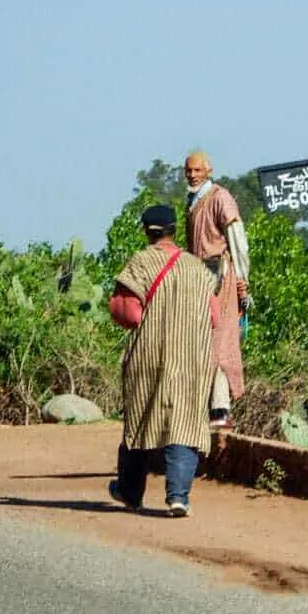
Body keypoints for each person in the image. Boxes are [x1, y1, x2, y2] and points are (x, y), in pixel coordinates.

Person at [107, 204, 220, 517]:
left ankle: (130, 492)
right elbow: (214, 316)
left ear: (147, 231)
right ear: (174, 230)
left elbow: (130, 314)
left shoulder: (140, 263)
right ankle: (178, 497)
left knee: (141, 421)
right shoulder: (198, 268)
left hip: (150, 356)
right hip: (192, 359)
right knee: (185, 423)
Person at [183, 150, 249, 430]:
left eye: (197, 170)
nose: (192, 175)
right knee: (201, 341)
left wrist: (242, 279)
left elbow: (237, 239)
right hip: (199, 276)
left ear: (208, 171)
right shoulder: (192, 200)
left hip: (221, 276)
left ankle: (220, 408)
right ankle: (204, 407)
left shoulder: (220, 197)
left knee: (221, 343)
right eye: (189, 171)